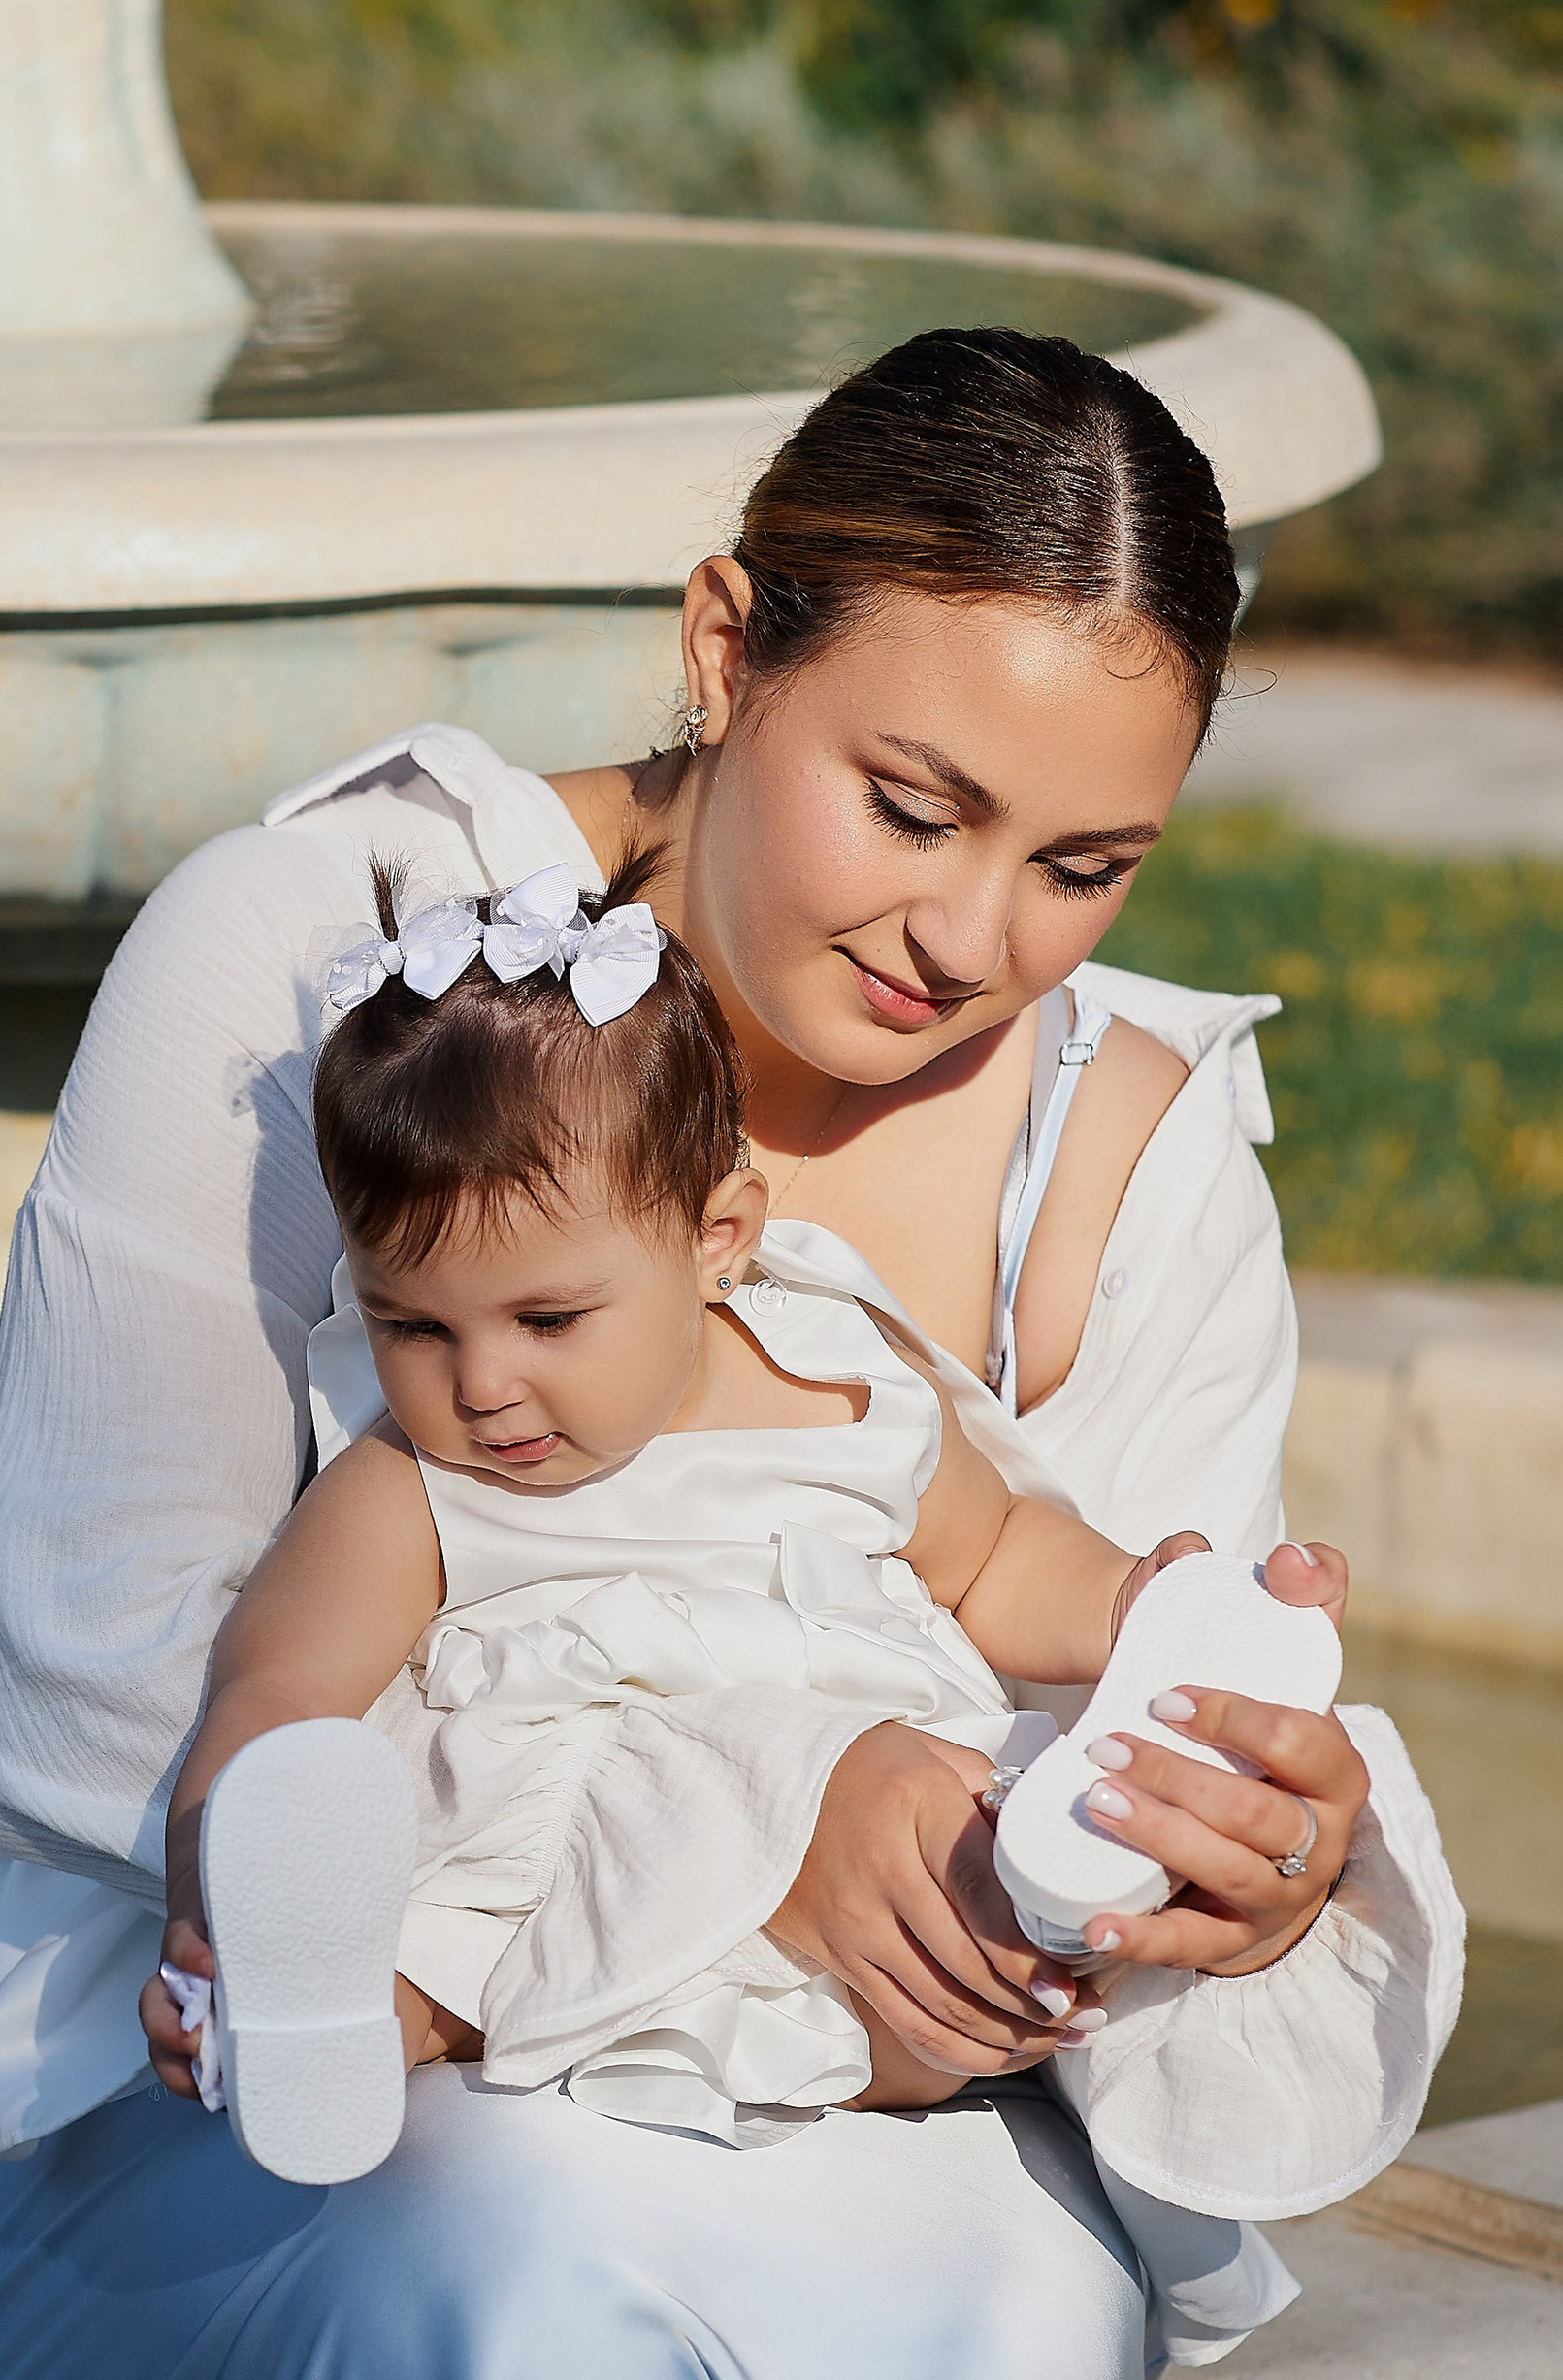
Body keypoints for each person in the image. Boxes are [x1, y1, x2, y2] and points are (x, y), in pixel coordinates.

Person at [0, 330, 1461, 2380]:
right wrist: (755, 1818)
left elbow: (1105, 1658)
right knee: (526, 2304)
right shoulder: (330, 968)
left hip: (868, 2113)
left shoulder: (1130, 1145)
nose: (971, 937)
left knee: (968, 2310)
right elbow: (97, 1720)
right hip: (241, 2089)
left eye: (1081, 860)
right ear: (725, 645)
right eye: (911, 803)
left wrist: (1211, 1848)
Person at [135, 853, 1355, 2262]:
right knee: (447, 1944)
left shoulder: (844, 1387)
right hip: (572, 1884)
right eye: (412, 1326)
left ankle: (1090, 1896)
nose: (479, 1386)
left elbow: (997, 1556)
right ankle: (333, 2025)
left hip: (871, 1931)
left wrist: (1138, 1602)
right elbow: (278, 1694)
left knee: (1005, 1895)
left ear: (718, 1238)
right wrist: (219, 1904)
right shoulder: (413, 1488)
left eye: (547, 1319)